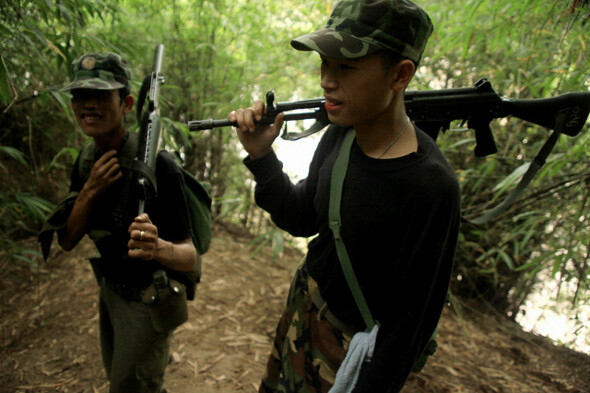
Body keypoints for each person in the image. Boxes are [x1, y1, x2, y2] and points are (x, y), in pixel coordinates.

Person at [228, 0, 461, 392]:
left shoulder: (431, 187)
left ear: (400, 75)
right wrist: (263, 158)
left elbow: (407, 332)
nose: (326, 81)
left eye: (346, 67)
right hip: (301, 317)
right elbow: (302, 218)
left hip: (347, 359)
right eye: (325, 63)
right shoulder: (343, 132)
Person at [39, 52, 197, 392]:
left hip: (147, 303)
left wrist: (158, 248)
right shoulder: (86, 162)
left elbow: (190, 255)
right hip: (110, 294)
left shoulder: (159, 166)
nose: (88, 105)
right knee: (123, 380)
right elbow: (67, 240)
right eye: (80, 96)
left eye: (100, 95)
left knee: (132, 385)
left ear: (126, 103)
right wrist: (90, 190)